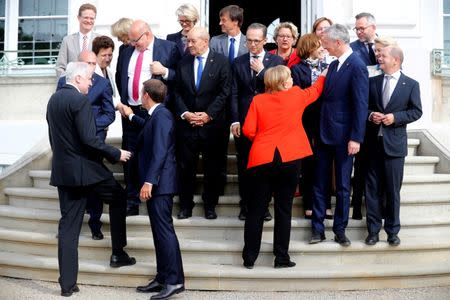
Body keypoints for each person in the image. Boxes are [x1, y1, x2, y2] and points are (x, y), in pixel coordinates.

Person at [47, 62, 136, 297]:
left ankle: (67, 284)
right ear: (77, 79)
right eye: (89, 79)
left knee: (68, 227)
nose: (91, 83)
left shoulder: (53, 100)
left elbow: (54, 139)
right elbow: (89, 139)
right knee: (118, 197)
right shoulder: (79, 101)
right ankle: (118, 253)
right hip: (86, 171)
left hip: (64, 171)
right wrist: (116, 153)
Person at [241, 65, 326, 269]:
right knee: (283, 209)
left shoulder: (258, 100)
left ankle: (249, 258)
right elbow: (315, 91)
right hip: (289, 157)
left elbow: (248, 130)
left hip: (262, 157)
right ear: (283, 82)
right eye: (289, 77)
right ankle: (281, 258)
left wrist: (262, 139)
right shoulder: (296, 95)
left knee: (256, 209)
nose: (292, 80)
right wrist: (323, 75)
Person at [310, 24, 368, 247]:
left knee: (343, 186)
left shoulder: (357, 66)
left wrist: (356, 137)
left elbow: (361, 105)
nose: (323, 46)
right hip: (325, 133)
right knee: (319, 182)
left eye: (325, 42)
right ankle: (317, 229)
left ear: (338, 42)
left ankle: (340, 229)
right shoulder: (334, 65)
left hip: (345, 137)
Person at [115, 19, 180, 216]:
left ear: (147, 34)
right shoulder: (125, 51)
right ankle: (132, 200)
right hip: (130, 112)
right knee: (131, 156)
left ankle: (156, 192)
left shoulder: (168, 48)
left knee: (155, 152)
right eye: (131, 41)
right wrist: (124, 102)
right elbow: (120, 77)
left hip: (154, 112)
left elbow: (180, 78)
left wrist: (165, 72)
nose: (133, 44)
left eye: (136, 40)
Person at [364, 46, 422, 246]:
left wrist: (395, 117)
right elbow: (363, 107)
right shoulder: (372, 82)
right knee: (371, 189)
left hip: (395, 146)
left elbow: (416, 111)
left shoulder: (411, 84)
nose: (379, 57)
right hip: (373, 144)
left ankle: (392, 231)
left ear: (396, 60)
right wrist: (371, 115)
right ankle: (372, 231)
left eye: (383, 55)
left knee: (392, 191)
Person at [174, 27, 232, 220]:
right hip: (187, 125)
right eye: (187, 41)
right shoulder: (183, 62)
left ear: (205, 42)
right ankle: (185, 206)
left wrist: (208, 115)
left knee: (213, 167)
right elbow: (177, 93)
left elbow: (225, 92)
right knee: (185, 167)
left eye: (192, 41)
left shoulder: (222, 62)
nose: (188, 45)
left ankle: (210, 205)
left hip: (213, 126)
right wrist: (185, 114)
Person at [134, 79, 185, 300]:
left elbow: (160, 151)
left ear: (147, 95)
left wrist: (149, 181)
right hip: (158, 183)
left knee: (164, 232)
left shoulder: (162, 115)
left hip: (160, 184)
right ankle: (162, 277)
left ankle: (174, 280)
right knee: (158, 232)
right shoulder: (155, 115)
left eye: (141, 92)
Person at [56, 51, 115, 240]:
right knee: (72, 186)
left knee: (94, 187)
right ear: (78, 65)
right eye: (86, 62)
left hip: (93, 142)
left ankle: (95, 224)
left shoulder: (103, 83)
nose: (91, 66)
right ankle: (67, 226)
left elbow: (109, 113)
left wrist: (88, 125)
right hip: (73, 146)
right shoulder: (66, 82)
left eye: (92, 62)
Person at [230, 23, 283, 221]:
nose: (252, 45)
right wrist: (234, 120)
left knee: (267, 166)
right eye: (249, 41)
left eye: (256, 41)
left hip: (268, 123)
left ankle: (264, 206)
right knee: (245, 166)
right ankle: (245, 205)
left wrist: (262, 72)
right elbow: (234, 93)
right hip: (244, 121)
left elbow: (279, 89)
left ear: (265, 41)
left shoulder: (276, 61)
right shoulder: (238, 62)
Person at [209, 4, 248, 199]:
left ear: (236, 21)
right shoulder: (215, 41)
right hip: (219, 102)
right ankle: (218, 186)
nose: (220, 23)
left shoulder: (249, 42)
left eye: (223, 20)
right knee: (217, 148)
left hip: (241, 103)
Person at [291, 33, 328, 220]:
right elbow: (297, 96)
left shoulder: (330, 66)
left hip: (326, 121)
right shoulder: (297, 70)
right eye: (318, 45)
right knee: (308, 163)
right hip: (305, 121)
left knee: (325, 163)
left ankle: (326, 204)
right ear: (309, 48)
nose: (322, 48)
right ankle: (309, 204)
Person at [350, 13, 378, 219]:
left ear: (373, 27)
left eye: (362, 28)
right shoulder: (352, 47)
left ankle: (375, 204)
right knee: (360, 164)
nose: (359, 32)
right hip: (360, 110)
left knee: (376, 165)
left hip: (381, 110)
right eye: (356, 29)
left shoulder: (386, 45)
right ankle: (357, 205)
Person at [55, 3, 100, 78]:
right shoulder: (67, 41)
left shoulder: (100, 40)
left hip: (95, 86)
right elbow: (60, 67)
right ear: (78, 18)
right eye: (86, 17)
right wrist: (69, 83)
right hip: (72, 87)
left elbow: (104, 67)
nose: (89, 21)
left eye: (92, 18)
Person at [111, 17, 133, 97]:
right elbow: (119, 74)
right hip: (126, 97)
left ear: (126, 32)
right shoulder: (122, 48)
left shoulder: (142, 47)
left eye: (119, 36)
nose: (118, 39)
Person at [92, 36, 118, 100]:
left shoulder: (109, 71)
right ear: (95, 55)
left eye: (110, 55)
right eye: (104, 55)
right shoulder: (91, 74)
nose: (107, 59)